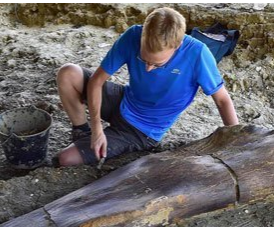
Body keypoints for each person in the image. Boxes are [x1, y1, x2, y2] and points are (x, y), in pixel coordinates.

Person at [55, 7, 239, 166]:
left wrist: (237, 143)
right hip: (124, 100)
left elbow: (222, 100)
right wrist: (96, 129)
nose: (148, 68)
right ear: (143, 34)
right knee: (68, 73)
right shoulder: (133, 35)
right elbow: (96, 81)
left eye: (157, 64)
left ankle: (98, 143)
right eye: (144, 60)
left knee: (65, 159)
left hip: (142, 130)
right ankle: (82, 131)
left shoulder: (198, 54)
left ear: (178, 45)